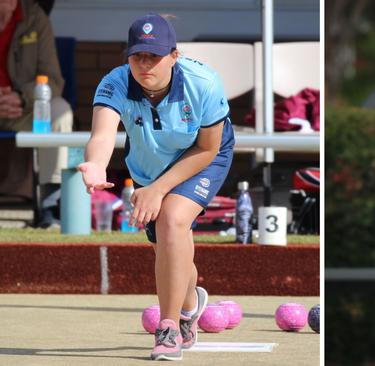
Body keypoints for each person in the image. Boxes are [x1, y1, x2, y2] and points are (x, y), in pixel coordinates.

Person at [78, 13, 235, 361]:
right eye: (137, 56)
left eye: (154, 56)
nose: (144, 64)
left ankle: (170, 327)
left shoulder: (204, 82)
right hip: (150, 163)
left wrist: (159, 189)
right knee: (168, 243)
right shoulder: (114, 82)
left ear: (174, 56)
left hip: (202, 155)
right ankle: (191, 303)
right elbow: (102, 136)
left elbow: (208, 148)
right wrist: (96, 164)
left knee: (172, 220)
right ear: (128, 56)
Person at [0, 0, 73, 227]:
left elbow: (53, 80)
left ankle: (50, 205)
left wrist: (22, 96)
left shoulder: (34, 17)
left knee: (60, 111)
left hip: (23, 108)